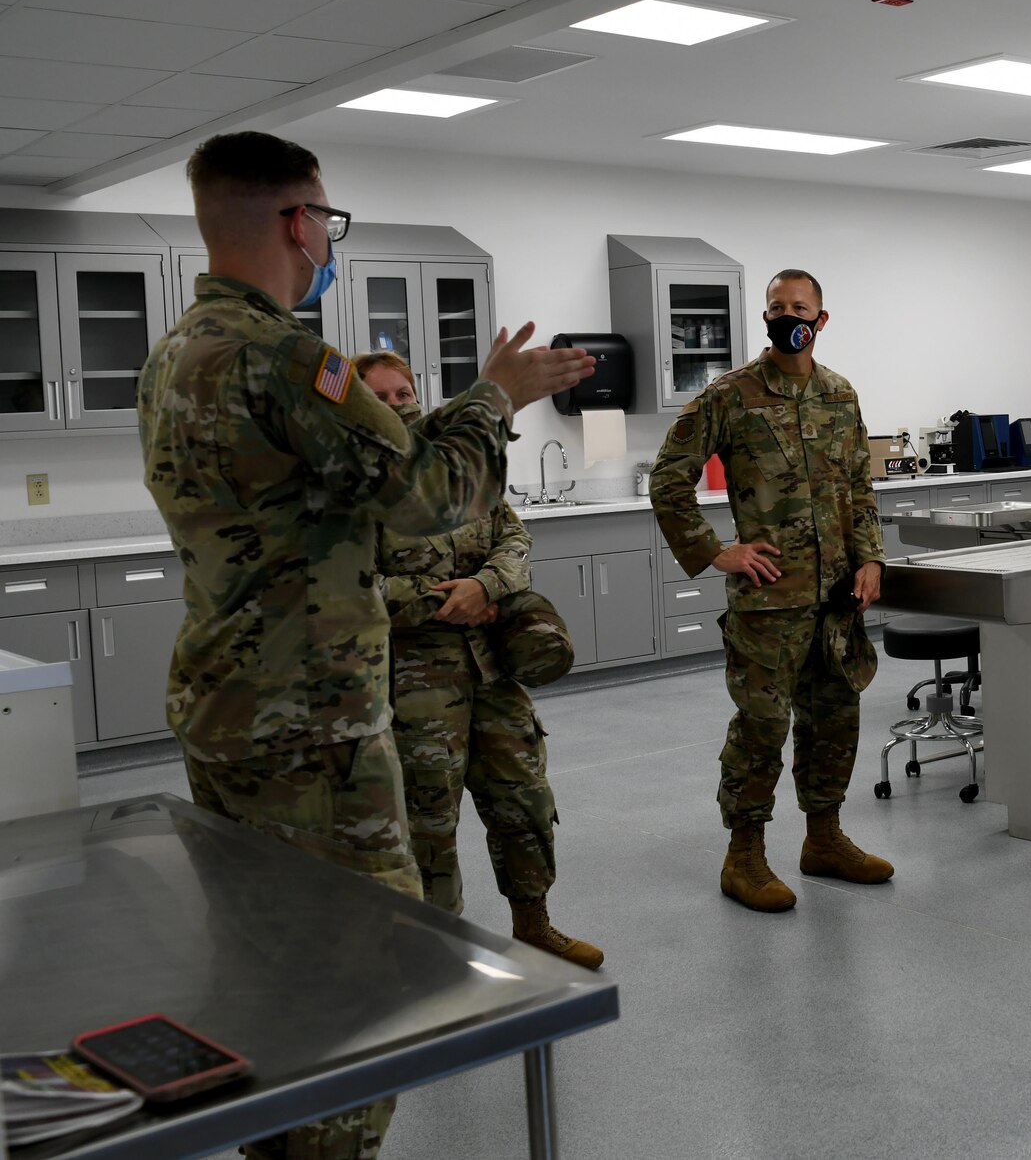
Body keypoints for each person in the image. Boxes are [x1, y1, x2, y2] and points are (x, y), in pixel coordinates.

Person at [137, 131, 591, 1160]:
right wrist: (494, 396)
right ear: (299, 223)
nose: (326, 241)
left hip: (225, 711)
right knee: (358, 973)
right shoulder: (287, 357)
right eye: (327, 220)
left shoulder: (174, 354)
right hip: (316, 725)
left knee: (264, 956)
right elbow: (429, 499)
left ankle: (270, 1137)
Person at [651, 268, 892, 912]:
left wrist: (871, 559)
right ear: (765, 317)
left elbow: (860, 491)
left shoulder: (840, 395)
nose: (789, 315)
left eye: (801, 306)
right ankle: (744, 857)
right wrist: (716, 551)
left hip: (838, 599)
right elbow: (667, 481)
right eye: (778, 306)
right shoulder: (730, 396)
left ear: (821, 318)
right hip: (769, 601)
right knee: (762, 728)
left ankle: (824, 839)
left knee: (835, 720)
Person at [357, 351, 602, 970]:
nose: (399, 406)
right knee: (427, 823)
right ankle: (436, 951)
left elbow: (514, 538)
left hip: (493, 671)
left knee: (524, 800)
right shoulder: (356, 488)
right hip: (413, 684)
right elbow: (354, 590)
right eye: (381, 398)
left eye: (404, 392)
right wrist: (446, 602)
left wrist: (487, 587)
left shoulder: (462, 473)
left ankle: (534, 924)